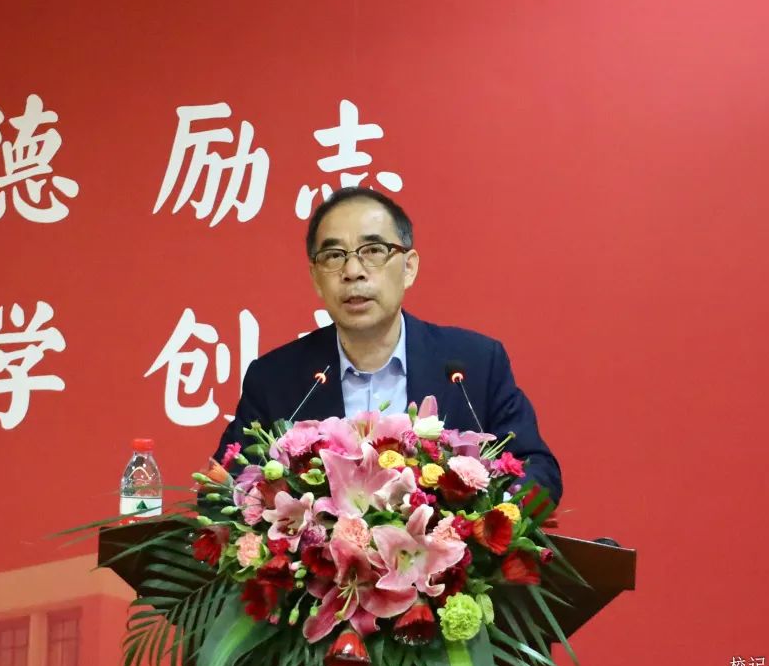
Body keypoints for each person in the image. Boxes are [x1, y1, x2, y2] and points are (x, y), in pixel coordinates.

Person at [214, 186, 562, 504]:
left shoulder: (475, 364)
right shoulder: (274, 379)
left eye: (373, 251)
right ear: (316, 278)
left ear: (409, 268)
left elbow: (538, 472)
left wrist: (477, 514)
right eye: (334, 255)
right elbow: (223, 490)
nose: (353, 270)